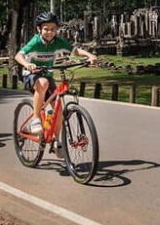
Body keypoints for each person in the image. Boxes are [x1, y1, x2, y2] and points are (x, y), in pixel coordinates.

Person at [14, 12, 97, 154]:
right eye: (46, 29)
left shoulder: (58, 42)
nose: (49, 32)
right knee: (43, 82)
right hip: (31, 75)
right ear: (39, 29)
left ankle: (55, 141)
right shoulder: (35, 41)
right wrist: (27, 64)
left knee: (58, 110)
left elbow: (74, 51)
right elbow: (18, 55)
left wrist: (89, 55)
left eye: (53, 29)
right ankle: (35, 119)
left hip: (47, 73)